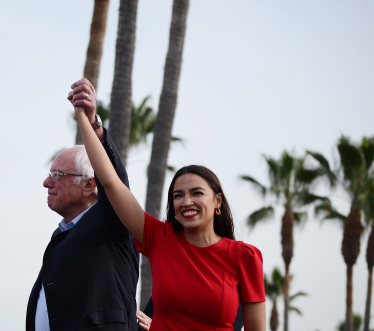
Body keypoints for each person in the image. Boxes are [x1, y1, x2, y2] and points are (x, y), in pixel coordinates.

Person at [73, 81, 267, 330]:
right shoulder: (160, 238)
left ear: (217, 201)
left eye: (196, 193)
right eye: (178, 195)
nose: (186, 202)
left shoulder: (244, 257)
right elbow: (112, 184)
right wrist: (87, 120)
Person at [26, 78, 140, 330]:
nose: (46, 182)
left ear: (90, 185)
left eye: (57, 175)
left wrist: (93, 126)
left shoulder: (111, 221)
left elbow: (114, 183)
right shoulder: (62, 234)